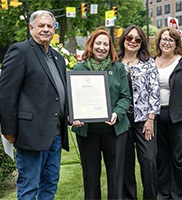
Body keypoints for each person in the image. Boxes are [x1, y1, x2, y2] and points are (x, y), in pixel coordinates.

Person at [0, 10, 69, 199]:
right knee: (29, 185)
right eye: (41, 25)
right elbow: (6, 94)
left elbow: (59, 92)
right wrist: (9, 131)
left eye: (49, 26)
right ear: (31, 28)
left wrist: (70, 114)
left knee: (50, 183)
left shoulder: (58, 57)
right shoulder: (20, 51)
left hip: (55, 134)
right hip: (30, 133)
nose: (46, 29)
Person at [71, 29, 131, 200]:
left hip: (114, 130)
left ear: (110, 47)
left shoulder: (118, 68)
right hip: (87, 131)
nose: (102, 47)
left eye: (106, 44)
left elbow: (126, 97)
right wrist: (74, 116)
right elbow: (73, 99)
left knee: (116, 175)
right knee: (90, 175)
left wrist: (116, 113)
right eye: (98, 43)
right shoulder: (78, 69)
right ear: (91, 45)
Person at [154, 27, 182, 200]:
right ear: (159, 42)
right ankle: (164, 194)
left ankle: (180, 195)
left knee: (181, 160)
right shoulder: (152, 62)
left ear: (176, 44)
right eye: (164, 39)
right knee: (161, 158)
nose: (167, 42)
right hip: (157, 118)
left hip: (180, 118)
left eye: (171, 40)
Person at [118, 25, 160, 199]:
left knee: (149, 160)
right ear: (123, 39)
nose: (133, 42)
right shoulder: (115, 62)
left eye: (137, 39)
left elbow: (155, 91)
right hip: (121, 119)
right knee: (126, 163)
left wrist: (151, 118)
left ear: (142, 42)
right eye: (129, 38)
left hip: (144, 119)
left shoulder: (148, 63)